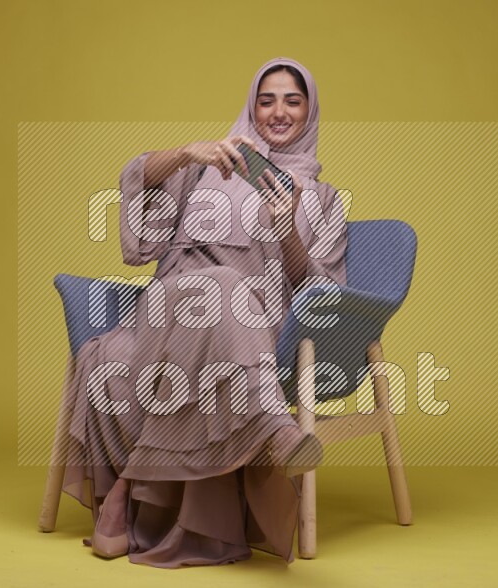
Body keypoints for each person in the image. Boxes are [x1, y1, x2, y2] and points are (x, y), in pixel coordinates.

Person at [59, 57, 348, 568]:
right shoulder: (208, 166)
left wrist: (286, 231)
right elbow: (135, 184)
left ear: (310, 112)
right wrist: (186, 152)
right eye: (267, 99)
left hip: (252, 323)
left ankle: (126, 490)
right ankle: (273, 430)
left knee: (224, 290)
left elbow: (317, 294)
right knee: (201, 294)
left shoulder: (322, 199)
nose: (278, 112)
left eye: (292, 100)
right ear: (251, 108)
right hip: (168, 309)